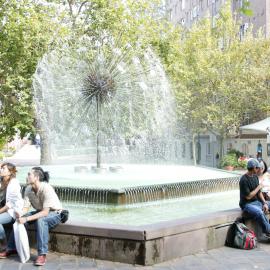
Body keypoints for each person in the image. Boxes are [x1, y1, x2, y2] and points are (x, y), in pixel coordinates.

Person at [0, 167, 62, 266]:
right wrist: (20, 214)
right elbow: (26, 208)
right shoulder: (28, 189)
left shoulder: (46, 188)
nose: (27, 177)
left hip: (55, 213)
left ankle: (42, 254)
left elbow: (45, 212)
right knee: (18, 220)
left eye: (29, 174)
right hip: (40, 211)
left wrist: (26, 218)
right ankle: (12, 248)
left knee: (41, 220)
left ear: (36, 177)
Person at [239, 158, 270, 237]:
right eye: (258, 167)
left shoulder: (255, 177)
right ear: (253, 168)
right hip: (247, 204)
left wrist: (264, 203)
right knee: (259, 212)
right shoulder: (243, 180)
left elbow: (259, 193)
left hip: (256, 202)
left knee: (267, 205)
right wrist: (259, 186)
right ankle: (268, 231)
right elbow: (248, 196)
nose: (259, 169)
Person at [0, 163, 23, 254]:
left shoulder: (14, 183)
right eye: (1, 168)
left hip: (12, 211)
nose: (1, 170)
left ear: (10, 172)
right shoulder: (1, 181)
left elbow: (10, 204)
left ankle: (5, 244)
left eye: (3, 168)